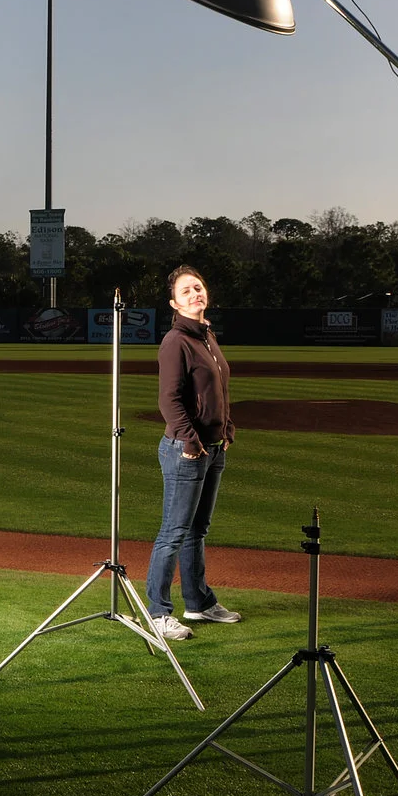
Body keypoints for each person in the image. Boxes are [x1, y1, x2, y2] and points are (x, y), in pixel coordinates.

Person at [147, 264, 239, 640]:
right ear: (174, 302)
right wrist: (190, 440)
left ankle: (198, 603)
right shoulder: (176, 341)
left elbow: (219, 390)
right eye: (186, 291)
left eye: (198, 288)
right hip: (186, 451)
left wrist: (226, 427)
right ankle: (156, 613)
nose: (195, 294)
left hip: (213, 448)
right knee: (174, 531)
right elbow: (169, 400)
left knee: (197, 530)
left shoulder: (205, 336)